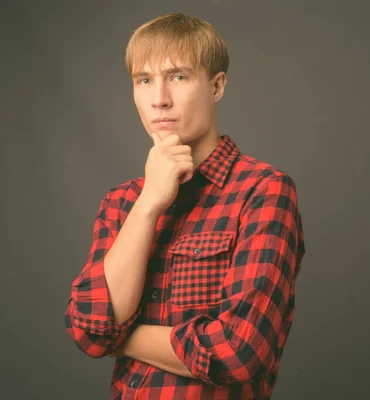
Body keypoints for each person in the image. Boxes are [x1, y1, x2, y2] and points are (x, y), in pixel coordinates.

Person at [64, 13, 305, 400]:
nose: (159, 98)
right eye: (144, 80)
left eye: (178, 76)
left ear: (216, 86)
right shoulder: (122, 202)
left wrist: (121, 336)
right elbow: (90, 332)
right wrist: (149, 205)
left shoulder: (262, 191)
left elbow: (237, 351)